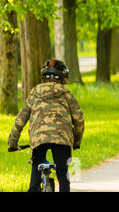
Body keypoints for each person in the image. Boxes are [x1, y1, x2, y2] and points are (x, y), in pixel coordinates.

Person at [8, 60, 85, 192]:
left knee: (36, 173)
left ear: (44, 76)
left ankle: (34, 187)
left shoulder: (35, 93)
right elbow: (79, 119)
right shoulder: (66, 94)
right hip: (62, 139)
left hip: (39, 139)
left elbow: (21, 119)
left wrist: (13, 142)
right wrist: (76, 141)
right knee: (62, 175)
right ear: (63, 77)